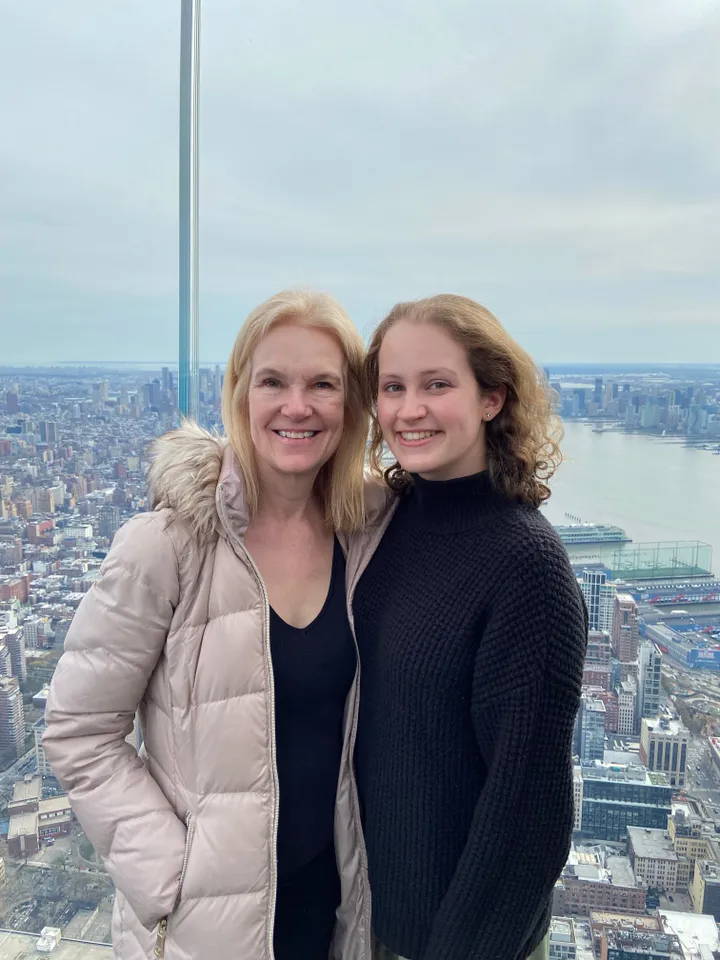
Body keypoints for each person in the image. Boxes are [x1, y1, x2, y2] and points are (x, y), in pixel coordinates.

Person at [43, 289, 378, 960]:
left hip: (331, 913)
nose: (297, 405)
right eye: (273, 381)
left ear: (352, 406)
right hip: (203, 930)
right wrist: (171, 875)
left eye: (323, 385)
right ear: (239, 393)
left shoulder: (368, 530)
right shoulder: (166, 545)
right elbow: (78, 729)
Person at [352, 294, 589, 960]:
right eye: (393, 387)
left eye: (437, 385)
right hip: (363, 921)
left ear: (493, 398)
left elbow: (527, 814)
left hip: (454, 943)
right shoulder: (389, 523)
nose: (408, 409)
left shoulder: (525, 566)